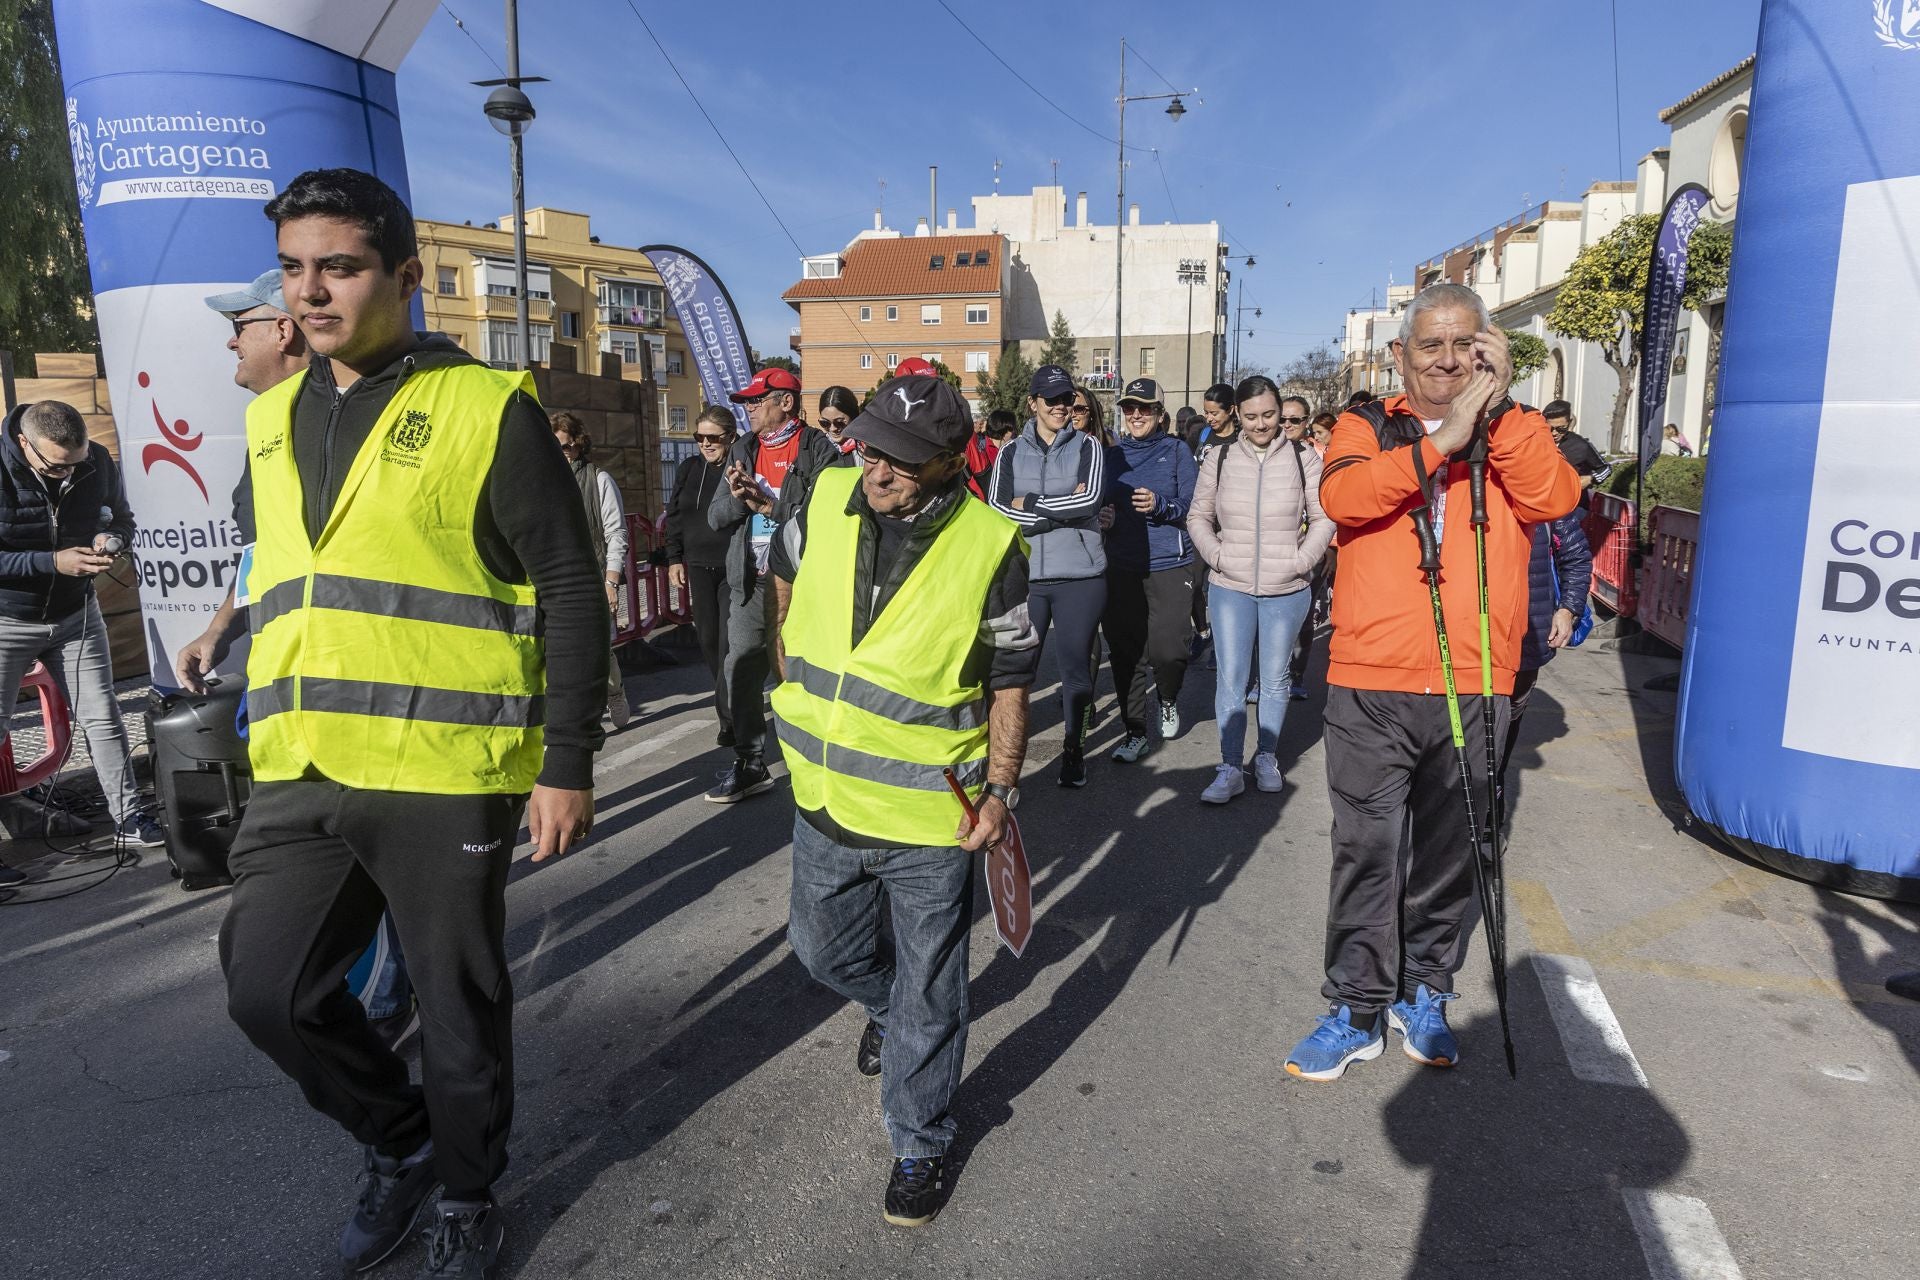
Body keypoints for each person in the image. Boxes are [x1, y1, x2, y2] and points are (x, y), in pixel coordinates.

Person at [215, 167, 606, 1277]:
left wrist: (566, 757)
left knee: (457, 1001)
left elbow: (572, 588)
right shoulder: (270, 418)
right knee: (268, 991)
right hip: (300, 762)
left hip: (444, 763)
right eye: (293, 269)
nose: (310, 293)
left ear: (406, 275)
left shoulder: (490, 408)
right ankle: (401, 1142)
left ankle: (470, 1191)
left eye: (337, 266)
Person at [1284, 282, 1578, 1082]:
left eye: (1464, 345)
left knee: (1453, 853)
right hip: (1370, 681)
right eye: (1431, 346)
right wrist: (1444, 440)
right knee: (1365, 848)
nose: (1448, 360)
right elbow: (1345, 498)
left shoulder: (1515, 427)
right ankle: (1354, 1005)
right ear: (1400, 355)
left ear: (1486, 349)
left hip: (1478, 681)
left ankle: (1425, 990)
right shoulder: (1366, 422)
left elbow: (1555, 497)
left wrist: (1501, 409)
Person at [770, 373, 1036, 1228]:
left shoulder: (994, 545)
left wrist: (999, 790)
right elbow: (782, 587)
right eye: (872, 445)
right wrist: (795, 692)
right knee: (819, 951)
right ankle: (890, 1013)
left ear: (952, 461)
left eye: (903, 459)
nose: (878, 469)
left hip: (932, 816)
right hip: (825, 799)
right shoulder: (824, 495)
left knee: (933, 986)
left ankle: (920, 1138)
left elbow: (1010, 683)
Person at [184, 269, 419, 1052]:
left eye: (240, 326)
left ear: (280, 331)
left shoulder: (345, 422)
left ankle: (392, 985)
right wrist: (220, 631)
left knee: (370, 854)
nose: (230, 342)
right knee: (289, 893)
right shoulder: (269, 429)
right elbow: (265, 558)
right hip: (282, 689)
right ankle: (344, 985)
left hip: (357, 690)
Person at [0, 400, 159, 852]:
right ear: (23, 443)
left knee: (103, 718)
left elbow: (123, 517)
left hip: (76, 615)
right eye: (56, 467)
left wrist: (113, 540)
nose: (68, 474)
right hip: (7, 618)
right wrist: (53, 562)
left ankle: (130, 819)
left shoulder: (95, 461)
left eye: (77, 462)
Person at [1187, 376, 1333, 804]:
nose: (1262, 424)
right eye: (1251, 416)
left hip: (1287, 587)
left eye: (1269, 415)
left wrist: (1301, 561)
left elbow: (1324, 516)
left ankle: (1266, 756)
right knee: (1231, 679)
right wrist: (1217, 555)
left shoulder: (1305, 458)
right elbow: (1198, 515)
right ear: (1237, 415)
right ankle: (1230, 765)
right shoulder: (1219, 456)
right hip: (1230, 585)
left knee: (1274, 678)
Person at [705, 365, 847, 803]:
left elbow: (831, 518)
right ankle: (750, 761)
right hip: (751, 578)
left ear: (785, 403)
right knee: (741, 665)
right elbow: (715, 517)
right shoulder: (743, 449)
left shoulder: (820, 450)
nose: (747, 408)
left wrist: (769, 503)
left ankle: (823, 759)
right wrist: (739, 499)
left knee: (803, 672)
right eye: (745, 401)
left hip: (804, 580)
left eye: (756, 401)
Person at [987, 364, 1107, 787]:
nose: (1061, 406)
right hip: (1026, 578)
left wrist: (1031, 503)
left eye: (1066, 399)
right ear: (1032, 403)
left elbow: (1090, 500)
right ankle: (1004, 770)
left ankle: (1073, 749)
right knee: (1017, 672)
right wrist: (1059, 508)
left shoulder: (1089, 447)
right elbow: (997, 510)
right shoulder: (1009, 452)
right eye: (1051, 399)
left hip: (1080, 577)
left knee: (1076, 669)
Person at [1101, 378, 1198, 762]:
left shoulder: (1176, 451)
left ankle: (1169, 697)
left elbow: (1193, 505)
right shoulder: (1111, 455)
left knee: (1168, 650)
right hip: (1121, 564)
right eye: (1129, 408)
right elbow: (1099, 504)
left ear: (1160, 413)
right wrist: (1104, 516)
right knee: (1126, 653)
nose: (1136, 415)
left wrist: (1160, 504)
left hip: (1169, 563)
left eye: (1144, 408)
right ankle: (1135, 731)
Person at [1499, 514, 1592, 796]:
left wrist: (1567, 610)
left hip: (1528, 638)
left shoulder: (1544, 496)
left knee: (1506, 721)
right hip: (1466, 638)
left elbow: (1576, 558)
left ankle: (1492, 802)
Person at [551, 411, 631, 730]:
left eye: (566, 447)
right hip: (555, 578)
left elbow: (616, 532)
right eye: (554, 447)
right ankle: (581, 711)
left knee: (598, 647)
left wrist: (611, 580)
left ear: (579, 445)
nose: (561, 454)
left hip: (592, 577)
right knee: (562, 650)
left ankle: (614, 692)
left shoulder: (598, 479)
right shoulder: (541, 480)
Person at [664, 405, 737, 748]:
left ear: (729, 437)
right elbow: (674, 514)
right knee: (707, 640)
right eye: (700, 437)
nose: (706, 444)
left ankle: (730, 717)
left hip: (731, 566)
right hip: (696, 565)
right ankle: (729, 700)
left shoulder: (739, 466)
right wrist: (674, 557)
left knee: (726, 642)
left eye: (713, 438)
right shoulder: (689, 468)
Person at [1543, 399, 1612, 497]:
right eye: (1550, 428)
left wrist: (1591, 478)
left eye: (1561, 429)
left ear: (1569, 423)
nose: (1554, 433)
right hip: (1543, 503)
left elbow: (1606, 468)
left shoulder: (1580, 445)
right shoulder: (1536, 441)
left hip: (1575, 505)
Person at [1190, 382, 1238, 456]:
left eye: (1214, 414)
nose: (1208, 419)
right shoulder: (1200, 435)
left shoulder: (1244, 438)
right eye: (1206, 413)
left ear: (1230, 410)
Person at [816, 385, 859, 454]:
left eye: (839, 422)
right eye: (825, 423)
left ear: (853, 417)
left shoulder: (867, 449)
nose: (833, 429)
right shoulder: (815, 448)